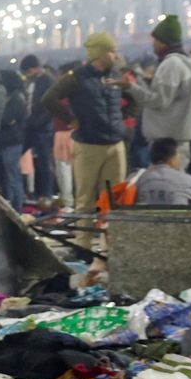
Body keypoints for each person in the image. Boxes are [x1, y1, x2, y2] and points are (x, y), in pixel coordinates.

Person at [44, 33, 129, 252]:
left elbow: (134, 99)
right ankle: (82, 245)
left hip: (115, 145)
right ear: (101, 54)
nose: (116, 54)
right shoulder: (77, 78)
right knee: (85, 200)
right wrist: (71, 119)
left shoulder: (117, 75)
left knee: (114, 199)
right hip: (88, 145)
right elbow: (49, 98)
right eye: (112, 51)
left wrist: (122, 119)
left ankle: (113, 245)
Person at [121, 15, 191, 168]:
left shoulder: (171, 64)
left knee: (169, 186)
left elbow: (159, 101)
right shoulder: (182, 63)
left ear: (163, 42)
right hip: (175, 139)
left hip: (168, 145)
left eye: (155, 40)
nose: (153, 44)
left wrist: (130, 87)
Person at [134, 137, 191, 205]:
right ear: (172, 159)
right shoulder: (186, 179)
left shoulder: (141, 179)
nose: (179, 159)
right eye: (178, 156)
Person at [21, 55, 56, 199]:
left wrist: (38, 122)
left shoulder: (47, 81)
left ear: (33, 68)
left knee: (43, 162)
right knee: (35, 160)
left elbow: (50, 106)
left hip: (42, 128)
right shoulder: (33, 81)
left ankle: (46, 193)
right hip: (31, 126)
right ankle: (35, 192)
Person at [0, 70, 28, 210]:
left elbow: (7, 119)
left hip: (12, 142)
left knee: (13, 177)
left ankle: (17, 207)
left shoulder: (16, 98)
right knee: (8, 177)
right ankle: (10, 205)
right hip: (6, 141)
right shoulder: (10, 97)